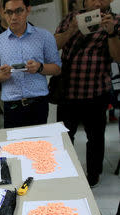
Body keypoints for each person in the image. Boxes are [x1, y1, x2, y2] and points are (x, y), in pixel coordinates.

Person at [54, 0, 120, 187]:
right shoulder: (70, 18)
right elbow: (54, 45)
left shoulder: (115, 21)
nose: (96, 2)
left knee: (96, 137)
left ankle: (93, 174)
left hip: (96, 91)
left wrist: (111, 32)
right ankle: (63, 172)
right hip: (67, 92)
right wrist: (73, 28)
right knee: (65, 137)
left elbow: (118, 56)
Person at [0, 0, 61, 128]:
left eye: (19, 11)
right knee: (15, 146)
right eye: (9, 12)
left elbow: (57, 68)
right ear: (3, 13)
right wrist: (2, 75)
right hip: (11, 105)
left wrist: (40, 67)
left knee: (39, 144)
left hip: (38, 103)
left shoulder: (44, 37)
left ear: (28, 9)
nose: (14, 17)